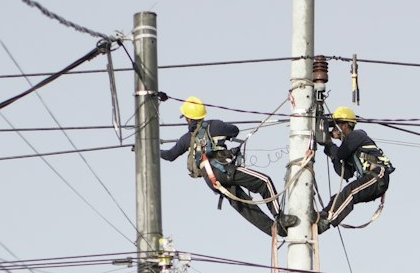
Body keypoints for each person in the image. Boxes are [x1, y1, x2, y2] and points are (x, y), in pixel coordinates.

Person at [161, 97, 288, 237]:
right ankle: (280, 217)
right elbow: (235, 130)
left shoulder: (186, 139)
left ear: (188, 119)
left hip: (212, 180)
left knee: (244, 205)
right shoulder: (215, 125)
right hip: (224, 170)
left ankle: (276, 231)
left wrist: (152, 150)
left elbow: (170, 155)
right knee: (264, 182)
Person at [317, 106, 393, 233]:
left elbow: (340, 153)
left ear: (346, 125)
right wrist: (330, 151)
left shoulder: (357, 135)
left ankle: (327, 221)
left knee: (350, 191)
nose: (335, 130)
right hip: (369, 179)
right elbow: (345, 173)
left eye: (337, 125)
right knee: (339, 197)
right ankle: (323, 215)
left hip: (377, 175)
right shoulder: (349, 149)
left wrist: (329, 144)